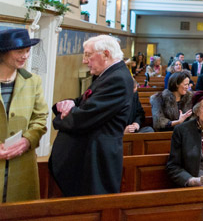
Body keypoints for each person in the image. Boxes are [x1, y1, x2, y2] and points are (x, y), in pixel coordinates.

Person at [49, 34, 133, 196]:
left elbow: (83, 117)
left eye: (88, 55)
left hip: (96, 161)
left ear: (106, 54)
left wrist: (59, 119)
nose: (84, 61)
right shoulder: (106, 75)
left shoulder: (117, 79)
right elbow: (81, 101)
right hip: (87, 157)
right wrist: (68, 104)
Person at [0, 29, 47, 202]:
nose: (25, 56)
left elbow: (40, 118)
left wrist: (27, 140)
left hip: (21, 164)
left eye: (27, 51)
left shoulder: (33, 81)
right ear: (4, 51)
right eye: (20, 51)